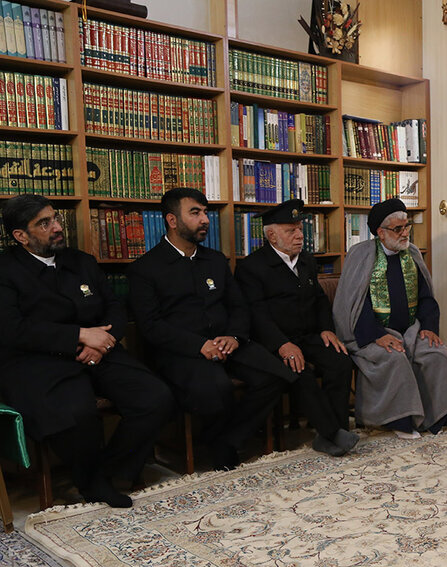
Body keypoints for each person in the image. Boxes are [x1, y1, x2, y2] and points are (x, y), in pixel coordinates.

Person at [126, 188, 357, 470]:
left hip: (230, 343)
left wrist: (235, 336)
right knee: (216, 386)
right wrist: (199, 345)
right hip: (183, 352)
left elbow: (239, 306)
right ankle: (219, 446)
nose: (205, 220)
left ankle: (233, 438)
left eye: (205, 212)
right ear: (172, 221)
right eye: (195, 213)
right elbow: (151, 326)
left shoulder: (214, 260)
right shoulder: (145, 268)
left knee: (281, 374)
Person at [0, 194, 174, 508]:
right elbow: (10, 329)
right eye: (44, 223)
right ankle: (92, 483)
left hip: (99, 353)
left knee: (155, 397)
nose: (57, 227)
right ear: (20, 236)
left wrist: (103, 343)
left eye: (55, 218)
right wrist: (80, 335)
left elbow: (114, 307)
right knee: (78, 412)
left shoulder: (81, 261)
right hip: (36, 362)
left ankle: (106, 471)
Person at [234, 199, 357, 448]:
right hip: (275, 343)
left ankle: (337, 430)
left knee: (341, 362)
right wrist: (282, 344)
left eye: (300, 228)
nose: (300, 235)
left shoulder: (307, 261)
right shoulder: (251, 267)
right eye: (291, 231)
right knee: (300, 371)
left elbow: (320, 301)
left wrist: (326, 329)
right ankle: (332, 434)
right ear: (271, 235)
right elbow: (256, 315)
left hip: (308, 335)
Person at [333, 198, 447, 438]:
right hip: (371, 334)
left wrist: (430, 327)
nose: (404, 233)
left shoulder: (411, 253)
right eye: (397, 229)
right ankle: (400, 422)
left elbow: (426, 297)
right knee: (395, 358)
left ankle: (437, 418)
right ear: (380, 232)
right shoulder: (361, 255)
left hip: (411, 329)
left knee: (437, 353)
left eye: (407, 226)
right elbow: (354, 305)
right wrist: (377, 335)